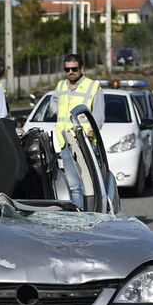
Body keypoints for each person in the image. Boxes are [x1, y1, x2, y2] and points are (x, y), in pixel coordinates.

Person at [49, 53, 105, 208]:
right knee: (74, 185)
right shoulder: (61, 86)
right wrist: (57, 110)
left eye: (74, 69)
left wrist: (93, 130)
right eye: (67, 69)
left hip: (83, 142)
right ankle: (80, 216)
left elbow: (99, 116)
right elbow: (53, 102)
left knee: (89, 185)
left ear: (82, 69)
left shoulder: (93, 87)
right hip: (66, 141)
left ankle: (93, 213)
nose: (70, 72)